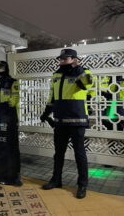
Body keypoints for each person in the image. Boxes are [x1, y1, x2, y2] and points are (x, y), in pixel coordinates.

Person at [40, 48, 93, 199]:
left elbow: (86, 86)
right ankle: (56, 180)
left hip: (78, 120)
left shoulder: (84, 72)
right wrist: (46, 112)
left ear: (74, 59)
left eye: (65, 58)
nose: (62, 61)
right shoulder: (56, 75)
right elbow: (52, 96)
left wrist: (77, 69)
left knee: (79, 153)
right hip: (60, 120)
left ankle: (82, 184)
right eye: (61, 59)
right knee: (58, 153)